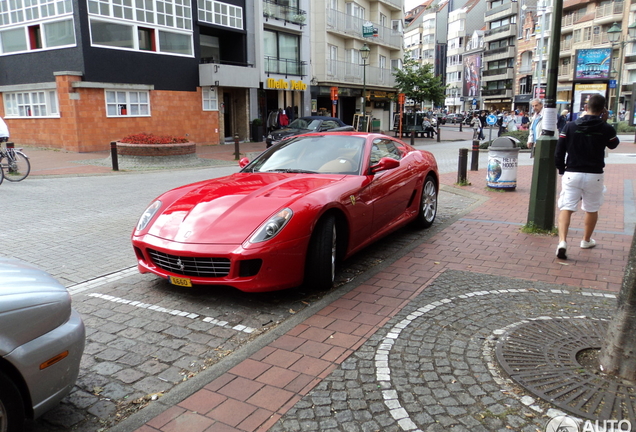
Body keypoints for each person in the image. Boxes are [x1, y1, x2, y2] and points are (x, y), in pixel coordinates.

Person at [554, 94, 620, 260]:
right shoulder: (606, 128)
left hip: (572, 172)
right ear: (603, 109)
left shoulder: (570, 126)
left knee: (566, 207)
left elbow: (559, 151)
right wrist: (604, 121)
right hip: (594, 174)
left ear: (585, 107)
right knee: (591, 208)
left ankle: (562, 241)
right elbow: (613, 144)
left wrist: (562, 169)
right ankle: (585, 240)